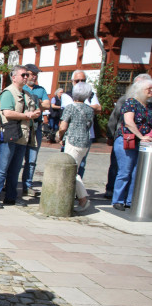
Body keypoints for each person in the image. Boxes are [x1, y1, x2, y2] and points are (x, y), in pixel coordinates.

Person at [0, 66, 40, 209]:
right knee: (2, 168)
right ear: (14, 77)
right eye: (23, 75)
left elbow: (36, 109)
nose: (26, 77)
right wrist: (27, 116)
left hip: (23, 135)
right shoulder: (8, 93)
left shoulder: (27, 93)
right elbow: (7, 113)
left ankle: (11, 197)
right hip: (9, 134)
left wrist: (36, 112)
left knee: (15, 169)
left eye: (27, 75)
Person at [111, 78, 152, 211]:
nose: (151, 91)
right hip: (127, 140)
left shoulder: (149, 106)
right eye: (149, 89)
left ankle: (130, 200)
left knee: (137, 172)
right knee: (125, 171)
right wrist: (141, 136)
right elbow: (128, 122)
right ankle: (118, 200)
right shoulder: (131, 103)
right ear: (140, 90)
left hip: (143, 143)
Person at [55, 82, 94, 212]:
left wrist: (60, 136)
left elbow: (63, 126)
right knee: (74, 168)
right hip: (85, 142)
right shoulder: (90, 109)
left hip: (73, 141)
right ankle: (72, 197)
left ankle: (83, 199)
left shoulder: (70, 108)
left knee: (71, 171)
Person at [21, 64, 50, 197]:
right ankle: (8, 183)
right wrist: (38, 103)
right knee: (16, 157)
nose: (34, 76)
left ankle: (27, 185)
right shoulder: (21, 87)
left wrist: (35, 102)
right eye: (32, 74)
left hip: (35, 127)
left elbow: (47, 104)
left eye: (36, 74)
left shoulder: (40, 89)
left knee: (31, 159)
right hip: (21, 126)